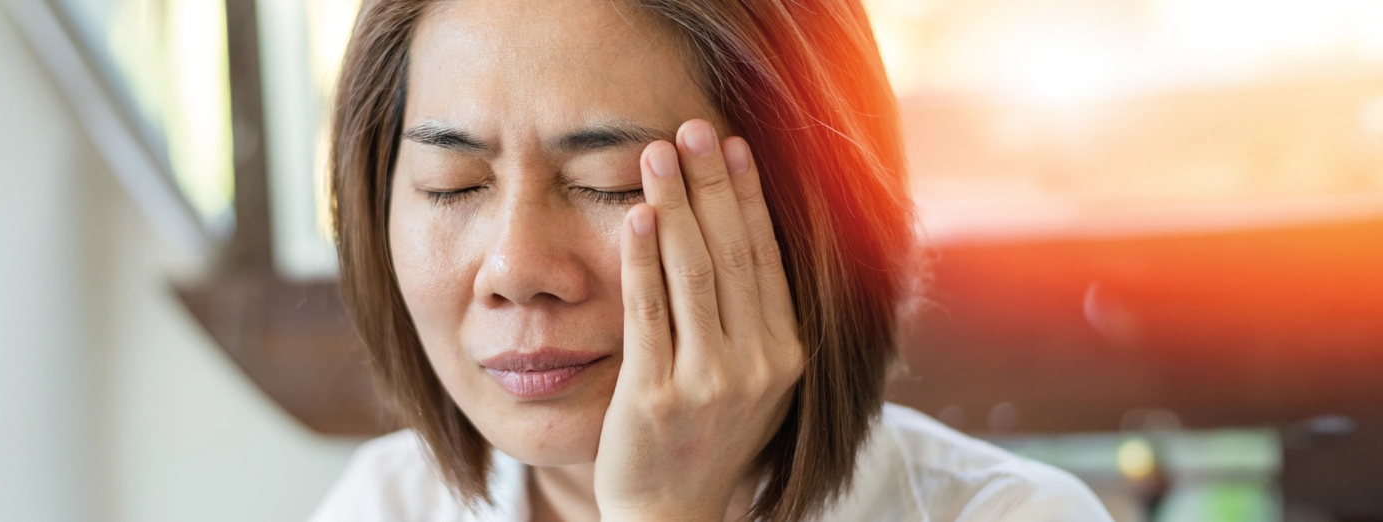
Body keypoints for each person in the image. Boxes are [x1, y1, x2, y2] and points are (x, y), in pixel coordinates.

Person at [312, 0, 1113, 520]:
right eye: (452, 186)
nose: (516, 268)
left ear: (806, 214)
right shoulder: (384, 506)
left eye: (608, 183)